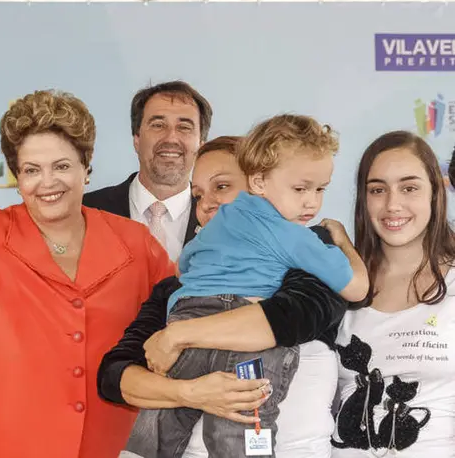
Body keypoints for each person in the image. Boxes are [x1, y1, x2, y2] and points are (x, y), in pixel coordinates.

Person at [0, 90, 175, 458]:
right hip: (3, 447)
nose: (47, 183)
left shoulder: (136, 243)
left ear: (86, 167)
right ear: (17, 177)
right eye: (31, 170)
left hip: (111, 445)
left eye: (61, 166)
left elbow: (182, 312)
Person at [125, 115, 368, 458]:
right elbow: (358, 289)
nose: (312, 202)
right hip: (247, 337)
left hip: (185, 318)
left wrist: (179, 329)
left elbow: (184, 265)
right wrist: (342, 242)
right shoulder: (297, 238)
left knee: (158, 421)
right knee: (243, 421)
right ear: (258, 181)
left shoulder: (219, 222)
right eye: (301, 189)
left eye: (320, 189)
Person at [332, 131, 455, 456]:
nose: (392, 204)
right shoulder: (337, 283)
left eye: (409, 187)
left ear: (435, 193)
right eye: (377, 189)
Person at [83, 81, 211, 260]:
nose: (171, 138)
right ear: (137, 139)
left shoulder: (221, 221)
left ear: (201, 145)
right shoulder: (85, 212)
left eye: (184, 127)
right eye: (158, 125)